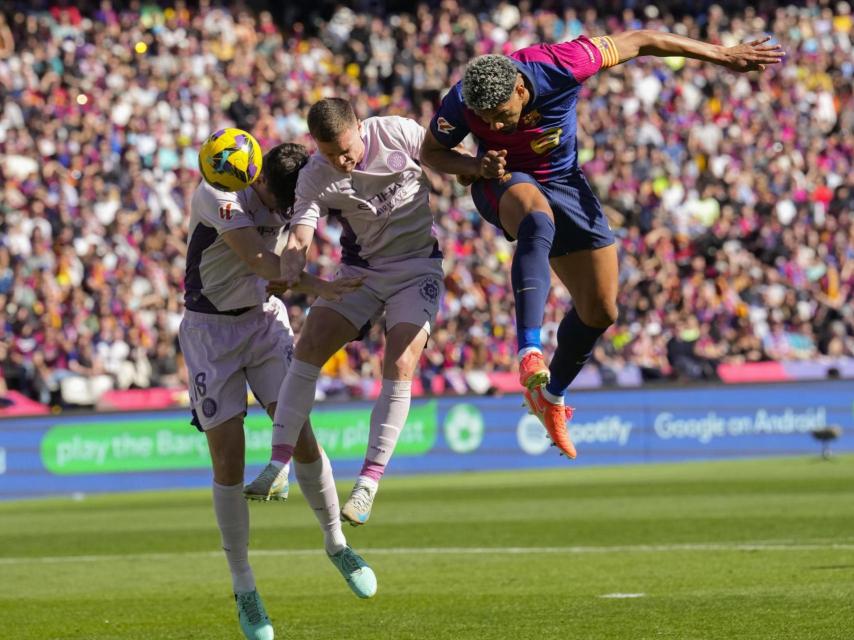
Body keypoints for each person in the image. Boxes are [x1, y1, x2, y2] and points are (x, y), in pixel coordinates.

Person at [420, 31, 784, 458]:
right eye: (487, 119)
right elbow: (433, 152)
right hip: (504, 183)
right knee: (536, 219)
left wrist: (720, 54)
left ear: (520, 88)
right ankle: (529, 351)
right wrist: (475, 164)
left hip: (565, 182)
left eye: (502, 114)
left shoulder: (561, 63)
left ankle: (550, 397)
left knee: (601, 310)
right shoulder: (462, 99)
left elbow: (642, 40)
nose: (496, 126)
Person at [180, 142, 376, 640]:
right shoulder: (219, 194)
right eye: (272, 201)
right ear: (259, 178)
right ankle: (244, 586)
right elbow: (261, 260)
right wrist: (318, 285)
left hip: (263, 326)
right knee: (228, 458)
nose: (276, 212)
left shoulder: (294, 196)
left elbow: (290, 251)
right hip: (210, 334)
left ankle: (336, 544)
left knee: (301, 433)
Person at [244, 99, 445, 528]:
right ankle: (279, 463)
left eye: (347, 149)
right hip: (362, 272)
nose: (342, 160)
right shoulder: (316, 174)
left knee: (401, 359)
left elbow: (440, 156)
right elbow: (302, 231)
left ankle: (369, 482)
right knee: (310, 341)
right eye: (330, 153)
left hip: (417, 268)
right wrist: (293, 264)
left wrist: (476, 167)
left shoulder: (396, 132)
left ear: (359, 126)